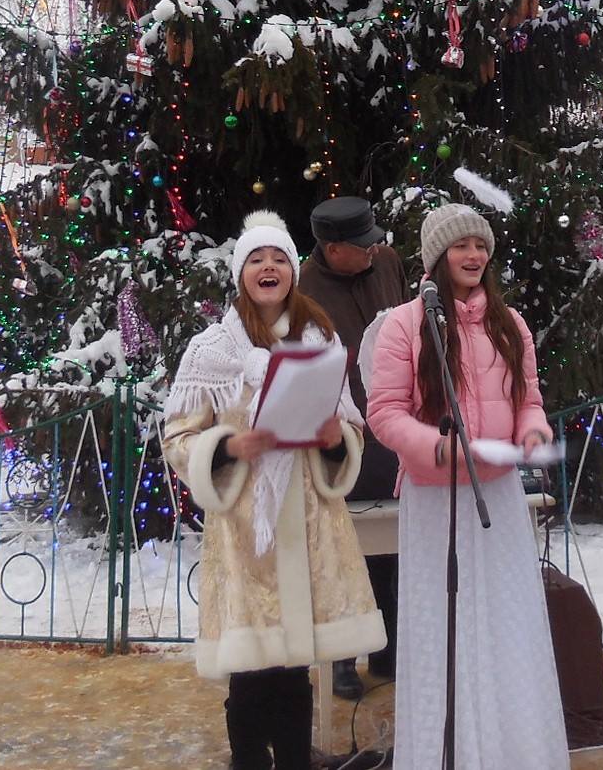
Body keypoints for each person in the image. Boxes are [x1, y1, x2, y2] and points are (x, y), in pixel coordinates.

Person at [161, 211, 387, 770]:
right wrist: (229, 448)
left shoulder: (320, 338)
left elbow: (349, 423)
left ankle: (293, 762)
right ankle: (248, 763)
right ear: (241, 274)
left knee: (293, 669)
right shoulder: (209, 351)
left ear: (293, 271)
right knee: (250, 677)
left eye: (280, 258)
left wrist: (337, 438)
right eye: (257, 258)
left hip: (308, 528)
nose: (269, 267)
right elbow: (177, 437)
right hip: (245, 534)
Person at [365, 203, 568, 770]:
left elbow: (529, 398)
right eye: (461, 246)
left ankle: (511, 749)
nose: (473, 255)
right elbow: (384, 412)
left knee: (505, 624)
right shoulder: (405, 324)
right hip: (434, 499)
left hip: (496, 494)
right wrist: (434, 445)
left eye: (480, 244)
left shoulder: (510, 323)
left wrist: (532, 427)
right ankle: (447, 752)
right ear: (437, 256)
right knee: (444, 628)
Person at [298, 195, 407, 700]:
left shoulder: (386, 261)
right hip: (340, 431)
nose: (375, 248)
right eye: (361, 245)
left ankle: (387, 647)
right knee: (343, 548)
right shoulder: (303, 289)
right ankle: (341, 659)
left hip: (395, 423)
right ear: (332, 248)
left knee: (392, 545)